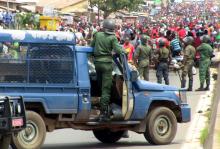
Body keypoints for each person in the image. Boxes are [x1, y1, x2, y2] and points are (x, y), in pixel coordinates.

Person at [90, 19, 124, 121]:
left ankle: (103, 105)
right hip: (107, 65)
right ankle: (104, 113)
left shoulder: (97, 35)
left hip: (97, 64)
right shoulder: (112, 37)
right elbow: (118, 50)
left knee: (101, 86)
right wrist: (124, 51)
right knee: (106, 89)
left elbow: (91, 48)